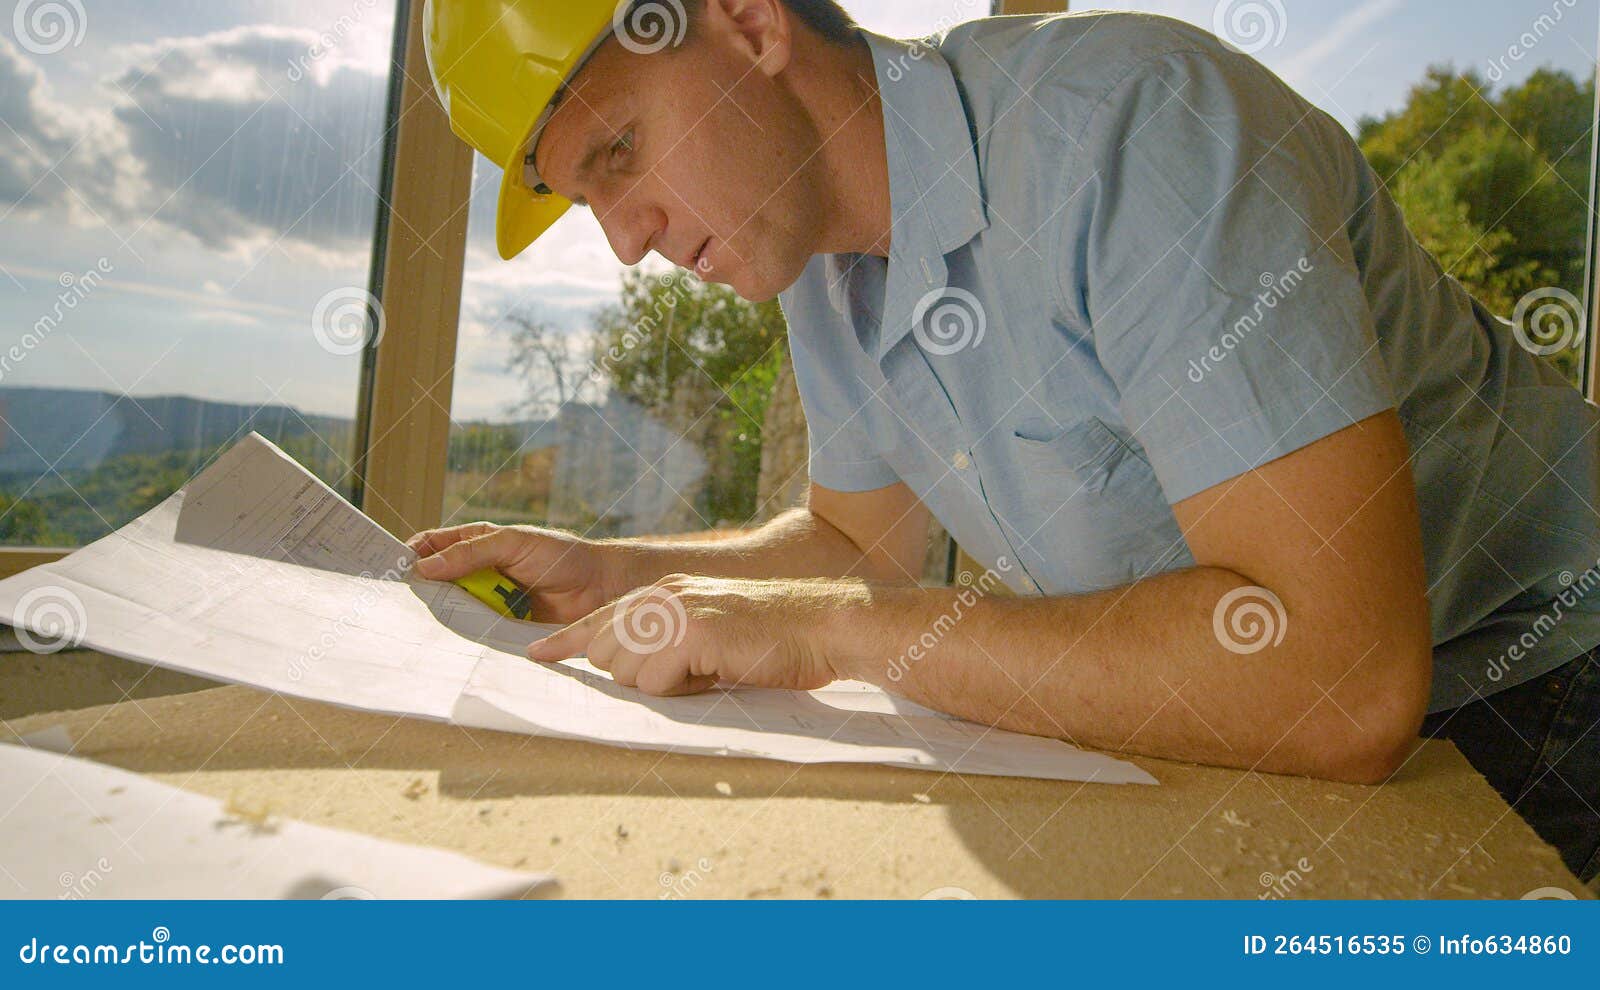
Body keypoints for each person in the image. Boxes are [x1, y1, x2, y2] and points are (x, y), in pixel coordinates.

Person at [412, 0, 1600, 882]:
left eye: (617, 153)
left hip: (1547, 682)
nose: (623, 242)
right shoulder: (818, 269)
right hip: (1285, 735)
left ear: (746, 22)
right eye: (585, 199)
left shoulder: (1132, 129)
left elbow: (1339, 683)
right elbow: (844, 543)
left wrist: (832, 634)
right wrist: (622, 577)